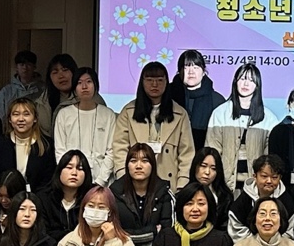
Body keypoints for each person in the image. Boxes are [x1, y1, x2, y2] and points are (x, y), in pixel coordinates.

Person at [110, 60, 194, 190]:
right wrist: (124, 179)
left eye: (160, 80)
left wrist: (181, 186)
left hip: (169, 182)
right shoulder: (128, 112)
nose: (154, 84)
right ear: (142, 82)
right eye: (149, 80)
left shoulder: (180, 113)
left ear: (166, 82)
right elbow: (120, 148)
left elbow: (186, 153)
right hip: (134, 182)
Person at [111, 142, 173, 246]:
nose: (139, 166)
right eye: (133, 161)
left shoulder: (164, 193)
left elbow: (167, 233)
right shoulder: (114, 193)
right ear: (127, 165)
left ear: (153, 165)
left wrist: (130, 235)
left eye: (145, 161)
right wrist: (151, 233)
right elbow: (114, 233)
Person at [206, 62, 278, 194]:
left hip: (256, 188)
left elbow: (270, 158)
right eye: (242, 78)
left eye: (251, 80)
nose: (246, 84)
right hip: (224, 187)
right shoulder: (220, 113)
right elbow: (212, 152)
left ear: (257, 85)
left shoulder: (269, 118)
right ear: (235, 81)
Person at [53, 66, 116, 183]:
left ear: (96, 86)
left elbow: (111, 152)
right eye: (79, 83)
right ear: (74, 88)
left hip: (102, 179)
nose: (84, 87)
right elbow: (60, 151)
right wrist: (70, 174)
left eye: (89, 82)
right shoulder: (64, 114)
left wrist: (100, 181)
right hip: (72, 178)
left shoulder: (108, 115)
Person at [0, 97, 55, 193]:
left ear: (35, 118)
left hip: (37, 199)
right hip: (5, 199)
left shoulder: (46, 145)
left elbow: (48, 180)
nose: (21, 119)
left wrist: (33, 199)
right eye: (16, 114)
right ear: (9, 119)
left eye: (26, 114)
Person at [171, 50, 226, 157]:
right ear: (179, 71)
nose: (191, 72)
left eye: (196, 67)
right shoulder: (168, 95)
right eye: (186, 67)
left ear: (204, 71)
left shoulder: (216, 100)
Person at [228, 154, 294, 241]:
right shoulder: (244, 199)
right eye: (264, 176)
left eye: (274, 177)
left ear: (280, 178)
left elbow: (290, 230)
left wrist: (274, 243)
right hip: (249, 245)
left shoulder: (286, 200)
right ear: (255, 176)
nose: (269, 181)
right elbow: (236, 226)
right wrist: (255, 243)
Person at [38, 150, 93, 241]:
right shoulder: (44, 198)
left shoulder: (92, 198)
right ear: (59, 171)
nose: (74, 173)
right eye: (69, 167)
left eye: (80, 168)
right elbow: (43, 233)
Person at [0, 51, 50, 135]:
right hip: (11, 135)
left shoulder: (43, 89)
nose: (25, 68)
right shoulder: (6, 91)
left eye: (28, 64)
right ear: (16, 67)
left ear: (34, 67)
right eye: (21, 64)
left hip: (38, 134)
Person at [189, 146, 234, 221]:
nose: (207, 172)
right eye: (203, 166)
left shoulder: (226, 197)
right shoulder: (183, 194)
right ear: (195, 166)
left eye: (213, 168)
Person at [0, 171, 25, 238]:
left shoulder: (27, 213)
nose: (3, 200)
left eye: (8, 197)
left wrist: (11, 224)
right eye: (0, 195)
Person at [44, 53, 79, 129]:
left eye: (65, 70)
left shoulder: (90, 99)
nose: (61, 76)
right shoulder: (42, 102)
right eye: (55, 72)